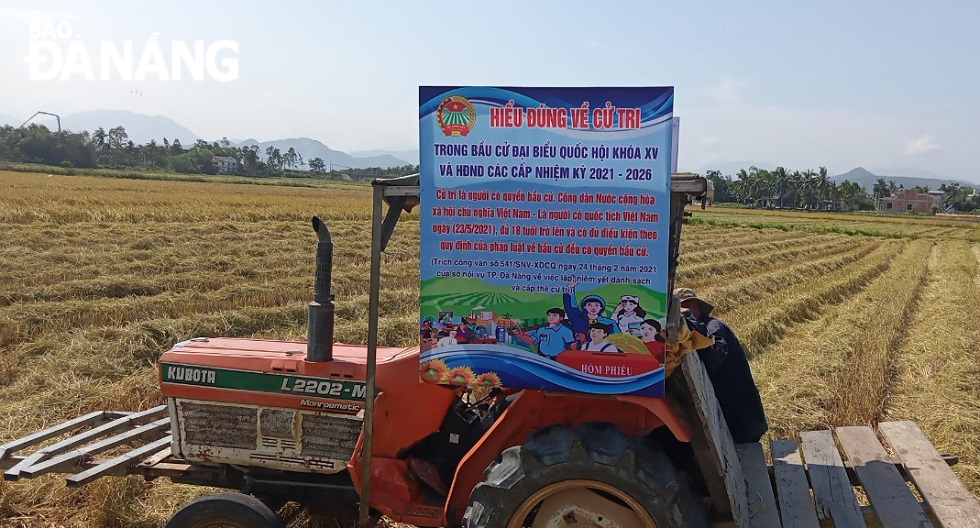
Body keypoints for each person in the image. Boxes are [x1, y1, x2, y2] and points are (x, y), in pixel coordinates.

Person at [674, 287, 768, 444]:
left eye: (679, 311)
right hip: (729, 415)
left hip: (740, 415)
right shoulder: (694, 333)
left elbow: (713, 358)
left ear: (694, 307)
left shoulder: (714, 328)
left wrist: (689, 319)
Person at [564, 279, 619, 347]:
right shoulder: (577, 317)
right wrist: (570, 288)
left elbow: (618, 339)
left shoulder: (609, 323)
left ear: (601, 307)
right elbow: (570, 306)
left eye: (596, 305)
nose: (593, 308)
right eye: (589, 305)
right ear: (585, 307)